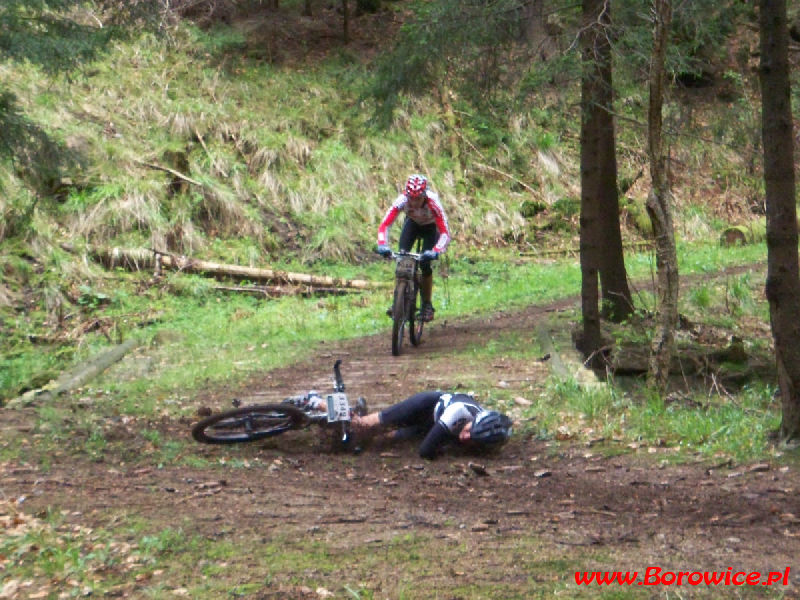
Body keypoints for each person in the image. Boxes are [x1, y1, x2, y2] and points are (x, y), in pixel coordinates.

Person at [351, 391, 513, 460]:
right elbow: (425, 451)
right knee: (364, 425)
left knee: (382, 440)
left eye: (472, 439)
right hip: (425, 406)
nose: (465, 437)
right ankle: (327, 407)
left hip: (431, 427)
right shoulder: (459, 412)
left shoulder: (486, 437)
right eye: (469, 431)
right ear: (472, 420)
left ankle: (353, 437)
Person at [377, 174, 451, 322]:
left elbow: (444, 232)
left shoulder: (433, 202)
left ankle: (427, 305)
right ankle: (398, 302)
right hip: (412, 224)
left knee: (424, 264)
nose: (415, 202)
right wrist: (382, 244)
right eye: (412, 198)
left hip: (431, 228)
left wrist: (436, 251)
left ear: (424, 195)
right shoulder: (402, 200)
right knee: (402, 259)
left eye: (418, 199)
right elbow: (385, 224)